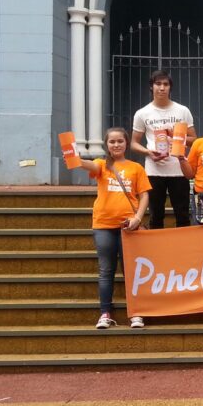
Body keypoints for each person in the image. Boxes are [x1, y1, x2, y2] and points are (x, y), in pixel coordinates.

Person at [77, 127, 150, 331]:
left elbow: (144, 195)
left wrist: (138, 217)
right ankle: (105, 313)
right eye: (112, 142)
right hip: (103, 225)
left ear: (127, 143)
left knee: (132, 272)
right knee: (106, 271)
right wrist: (74, 157)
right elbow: (86, 164)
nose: (116, 145)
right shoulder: (102, 165)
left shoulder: (136, 168)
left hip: (130, 227)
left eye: (120, 141)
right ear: (106, 145)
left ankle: (136, 313)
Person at [131, 70, 196, 229]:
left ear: (170, 88)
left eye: (165, 84)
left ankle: (184, 252)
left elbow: (194, 140)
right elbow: (133, 143)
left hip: (179, 169)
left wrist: (176, 138)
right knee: (156, 216)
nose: (162, 88)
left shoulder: (182, 110)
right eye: (158, 84)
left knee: (182, 215)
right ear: (151, 87)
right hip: (154, 171)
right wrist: (148, 153)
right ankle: (157, 253)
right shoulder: (142, 113)